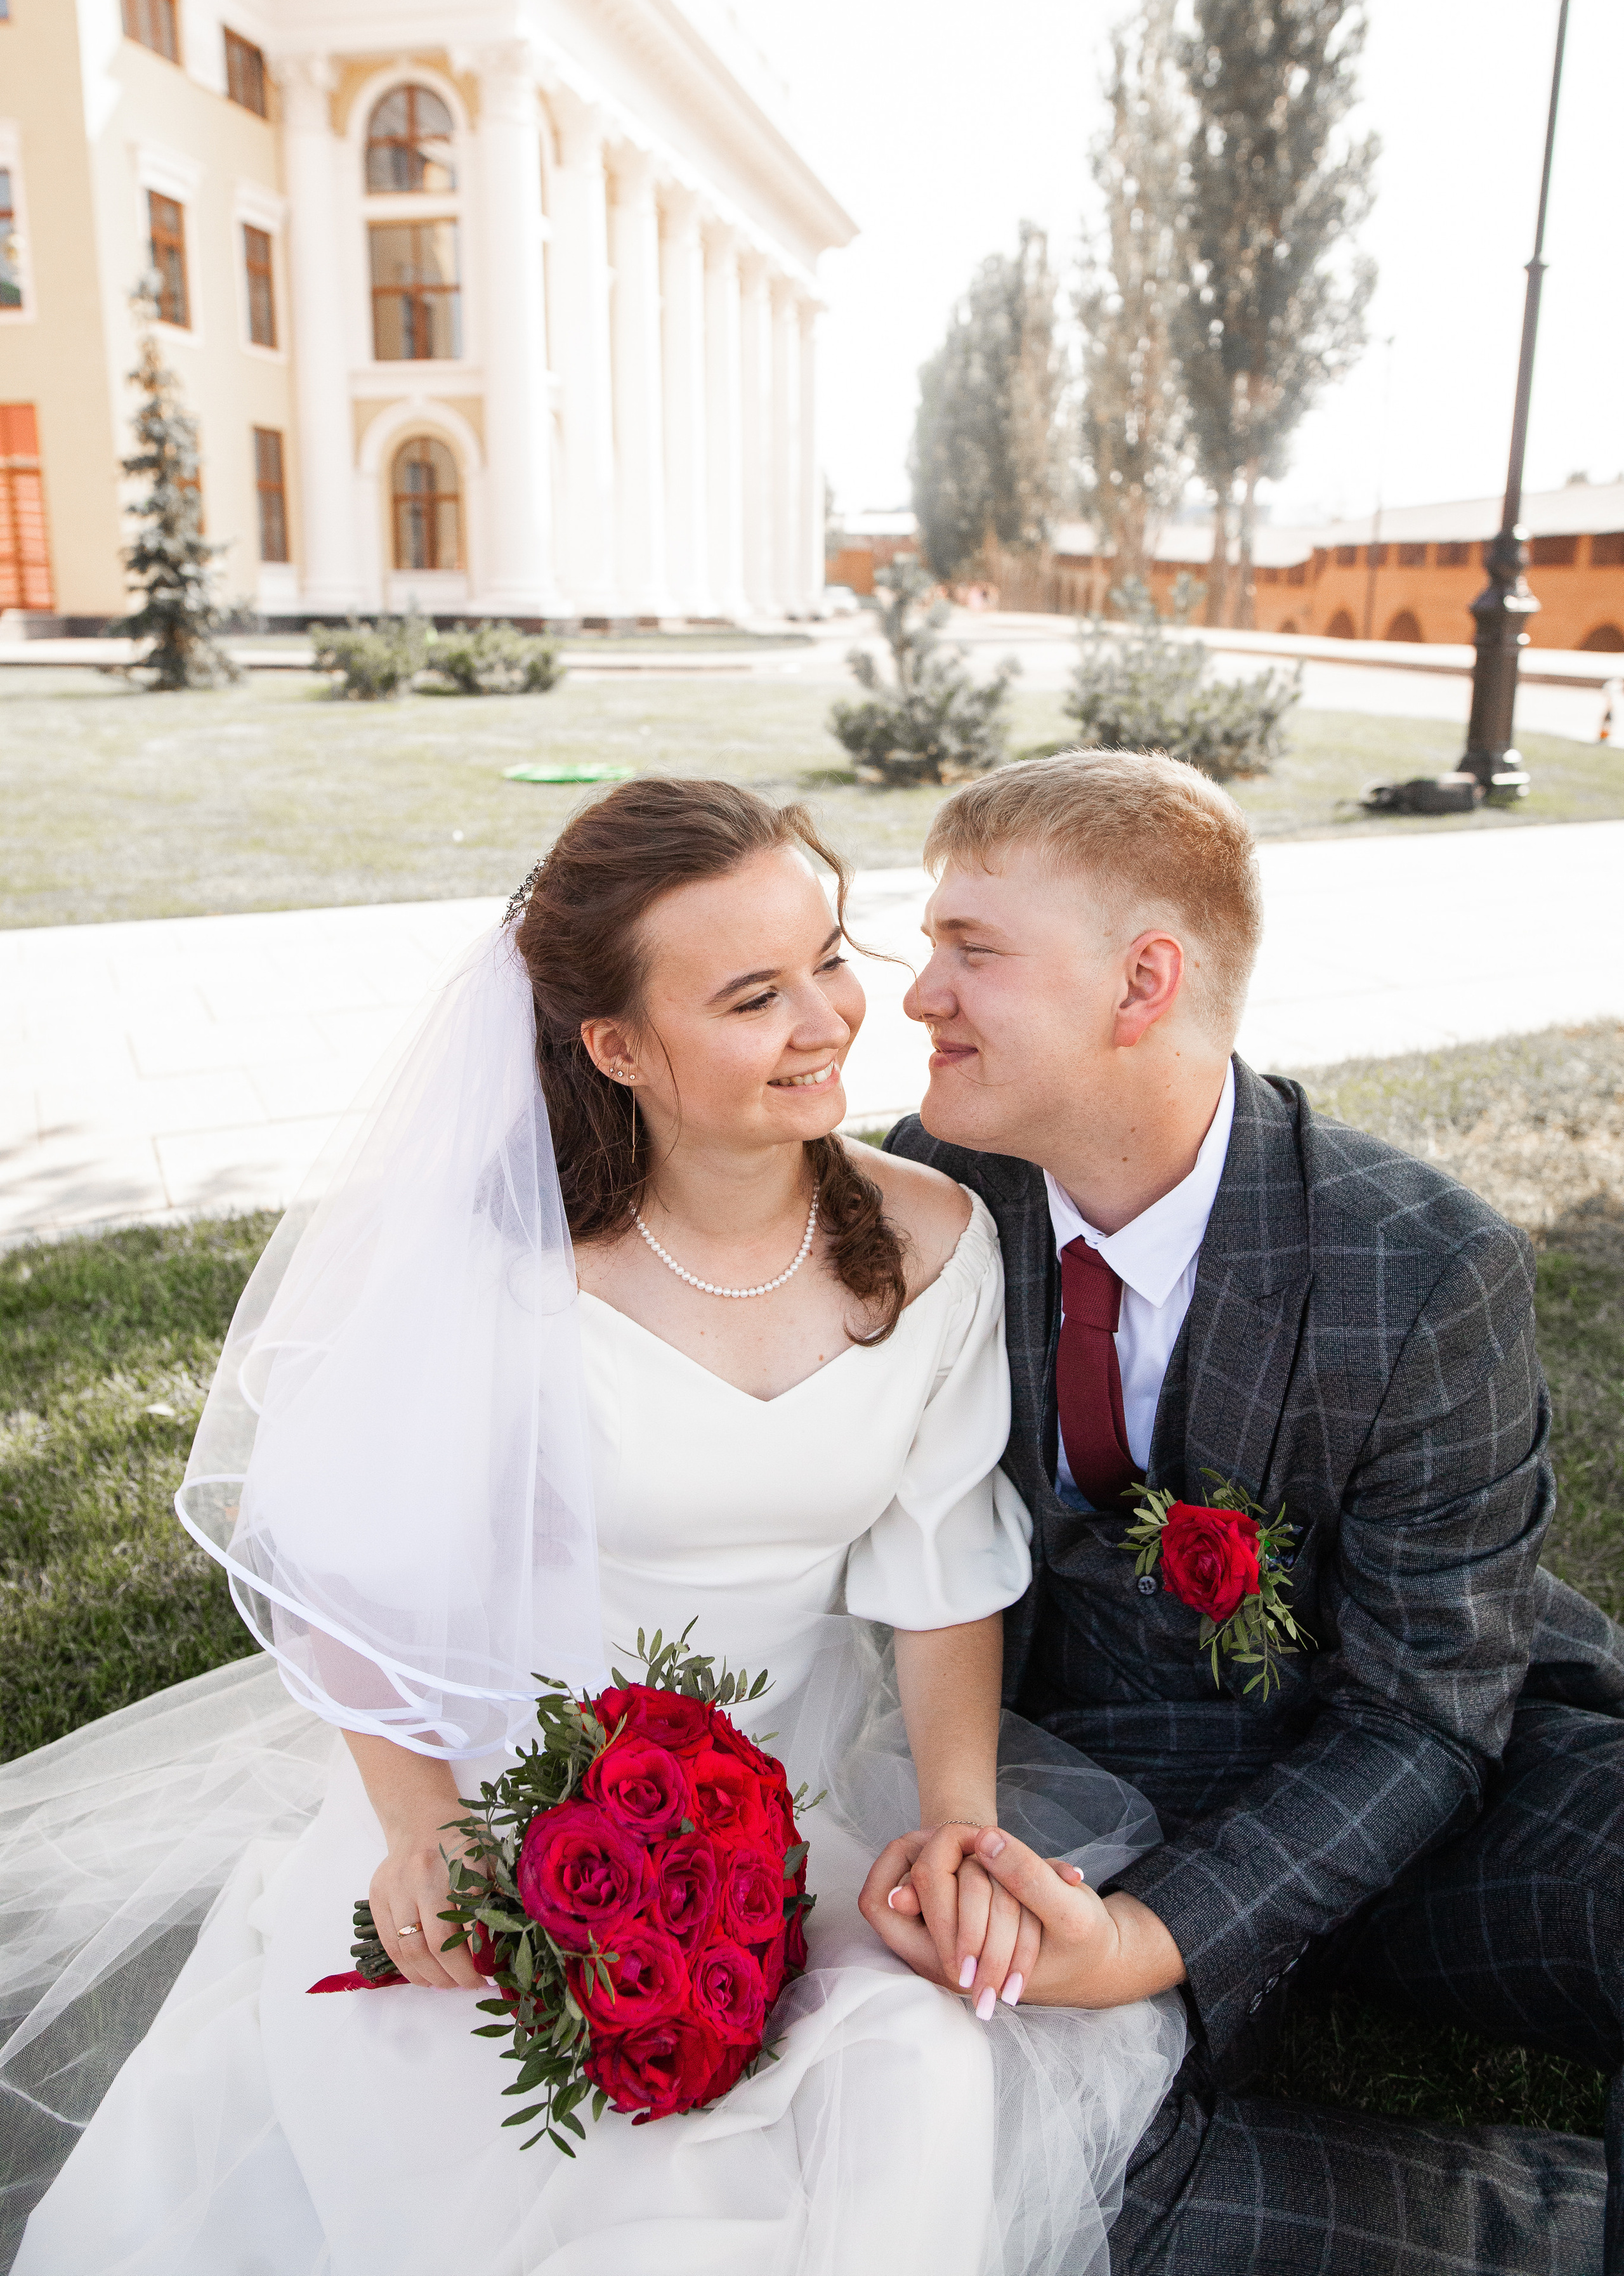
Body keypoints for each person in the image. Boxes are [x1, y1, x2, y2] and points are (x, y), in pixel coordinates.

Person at [3, 778, 1185, 2276]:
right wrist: (425, 1829)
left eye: (828, 957)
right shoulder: (497, 1275)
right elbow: (342, 1575)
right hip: (507, 1798)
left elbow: (941, 1573)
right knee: (497, 2141)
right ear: (615, 1046)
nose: (826, 1019)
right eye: (751, 997)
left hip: (805, 1795)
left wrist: (955, 1820)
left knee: (913, 2068)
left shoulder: (938, 1244)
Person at [865, 747, 1624, 2273]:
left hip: (1429, 1793)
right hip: (1084, 1796)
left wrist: (1146, 1946)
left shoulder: (1419, 1268)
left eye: (972, 950)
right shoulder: (931, 1192)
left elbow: (1424, 1717)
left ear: (1141, 983)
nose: (918, 995)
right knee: (992, 2166)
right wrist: (1087, 1919)